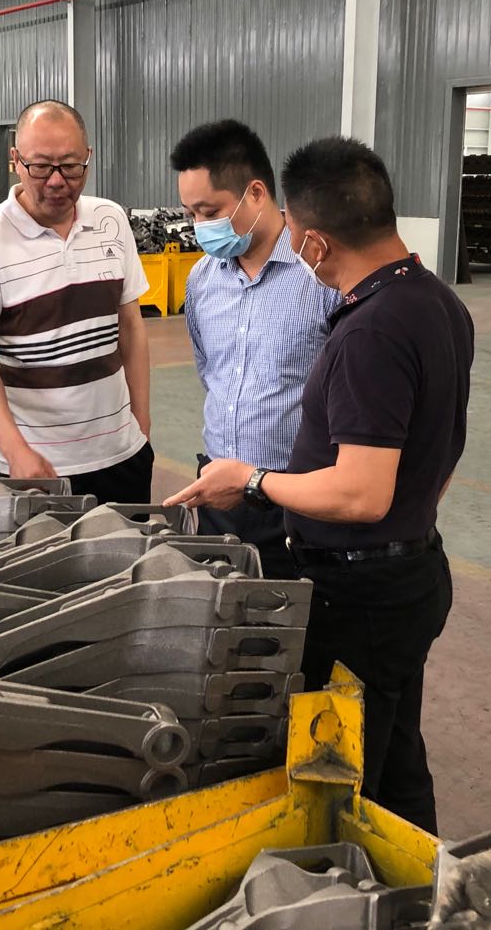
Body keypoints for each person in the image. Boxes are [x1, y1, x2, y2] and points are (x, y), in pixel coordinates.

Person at [165, 136, 474, 834]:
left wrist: (255, 479)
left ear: (313, 242)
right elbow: (442, 447)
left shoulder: (368, 332)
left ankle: (359, 875)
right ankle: (416, 872)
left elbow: (361, 494)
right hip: (408, 568)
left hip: (360, 594)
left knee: (348, 770)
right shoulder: (436, 301)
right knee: (396, 753)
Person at [0, 100, 153, 503]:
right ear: (15, 160)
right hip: (38, 466)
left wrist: (141, 425)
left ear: (88, 157)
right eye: (40, 167)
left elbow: (130, 326)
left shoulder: (110, 220)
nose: (57, 181)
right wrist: (15, 452)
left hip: (122, 455)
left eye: (71, 166)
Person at [171, 119, 336, 578]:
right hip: (217, 490)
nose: (200, 227)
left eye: (209, 211)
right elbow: (212, 373)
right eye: (190, 214)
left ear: (256, 193)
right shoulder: (202, 280)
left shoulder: (320, 275)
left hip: (293, 496)